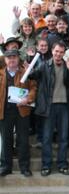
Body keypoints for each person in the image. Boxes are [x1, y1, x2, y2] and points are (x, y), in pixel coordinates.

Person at [28, 42, 69, 176]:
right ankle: (46, 165)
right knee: (47, 137)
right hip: (49, 106)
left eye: (61, 52)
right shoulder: (44, 65)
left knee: (63, 137)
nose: (58, 54)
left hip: (64, 105)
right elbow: (32, 75)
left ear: (64, 53)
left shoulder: (67, 65)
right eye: (56, 51)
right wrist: (30, 60)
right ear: (52, 51)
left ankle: (62, 164)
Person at [0, 49, 37, 177]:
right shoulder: (0, 73)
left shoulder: (25, 72)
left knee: (23, 140)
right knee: (6, 140)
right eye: (9, 57)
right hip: (4, 112)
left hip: (22, 111)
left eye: (14, 57)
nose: (12, 60)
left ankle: (24, 167)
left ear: (18, 59)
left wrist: (28, 98)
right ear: (5, 60)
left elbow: (33, 87)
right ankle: (5, 167)